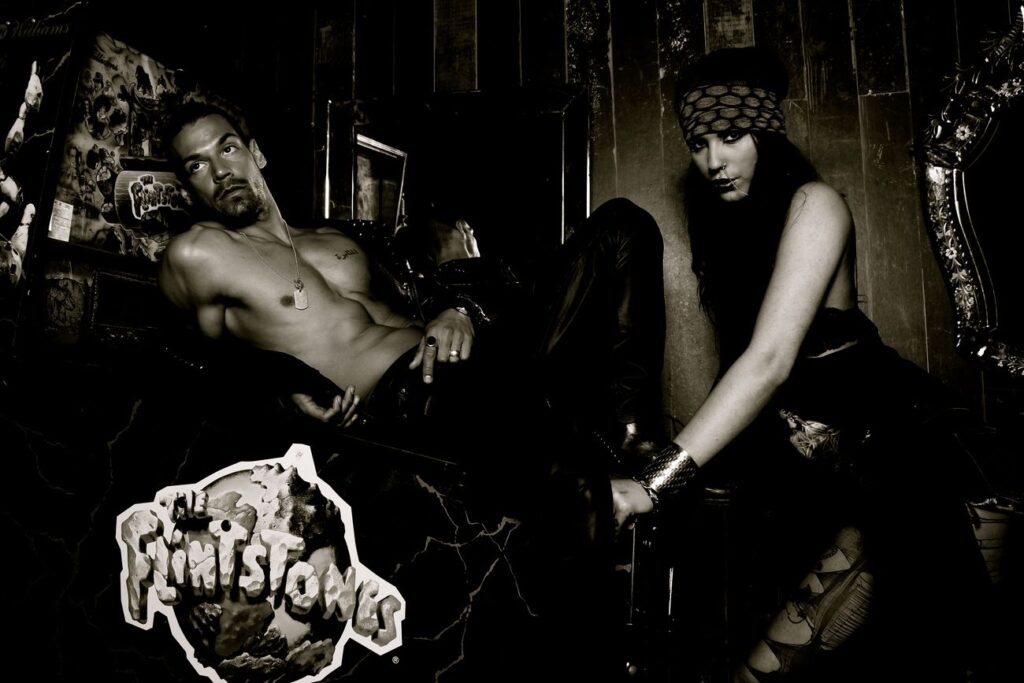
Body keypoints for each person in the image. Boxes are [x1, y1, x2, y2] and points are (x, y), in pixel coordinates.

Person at [157, 100, 667, 674]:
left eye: (227, 148)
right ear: (187, 186)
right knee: (559, 473)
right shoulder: (198, 253)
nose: (219, 170)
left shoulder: (335, 238)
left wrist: (458, 307)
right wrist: (283, 384)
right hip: (411, 393)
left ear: (256, 153)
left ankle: (635, 445)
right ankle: (596, 644)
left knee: (622, 227)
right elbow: (185, 361)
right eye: (196, 165)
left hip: (479, 359)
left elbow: (442, 294)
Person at [610, 47, 1016, 682]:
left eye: (731, 135)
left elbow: (770, 362)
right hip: (837, 480)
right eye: (698, 143)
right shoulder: (733, 235)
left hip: (916, 461)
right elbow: (751, 376)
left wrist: (654, 484)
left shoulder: (815, 202)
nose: (713, 160)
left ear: (767, 133)